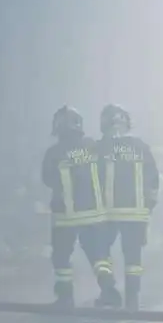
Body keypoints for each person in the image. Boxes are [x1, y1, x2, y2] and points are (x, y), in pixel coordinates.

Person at [41, 106, 113, 308]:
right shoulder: (93, 147)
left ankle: (65, 298)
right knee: (99, 257)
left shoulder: (53, 153)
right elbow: (105, 171)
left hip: (65, 216)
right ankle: (109, 291)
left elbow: (47, 179)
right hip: (93, 213)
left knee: (62, 257)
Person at [95, 104, 160, 310]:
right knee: (133, 258)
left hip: (107, 213)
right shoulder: (141, 147)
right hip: (136, 212)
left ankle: (108, 290)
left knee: (100, 252)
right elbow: (153, 179)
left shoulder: (99, 148)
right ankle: (132, 300)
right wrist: (149, 205)